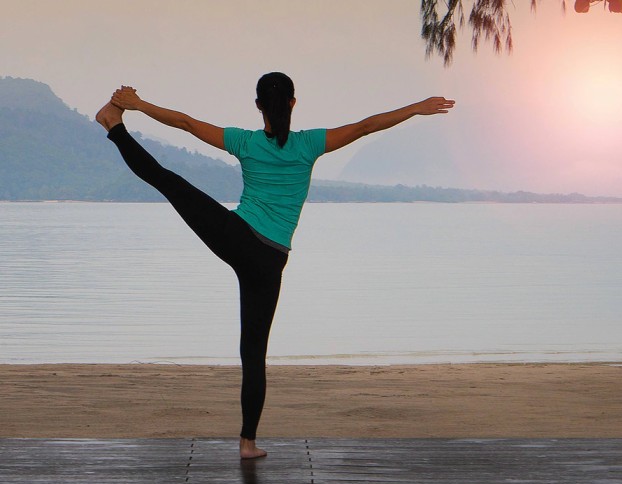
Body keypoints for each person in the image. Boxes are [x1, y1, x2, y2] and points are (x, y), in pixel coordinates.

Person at [95, 72, 454, 459]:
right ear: (293, 104)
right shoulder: (310, 144)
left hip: (236, 238)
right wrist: (415, 108)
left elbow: (185, 123)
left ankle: (113, 124)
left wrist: (138, 104)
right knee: (253, 354)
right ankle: (247, 443)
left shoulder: (246, 142)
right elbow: (367, 126)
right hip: (270, 260)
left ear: (258, 106)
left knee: (169, 182)